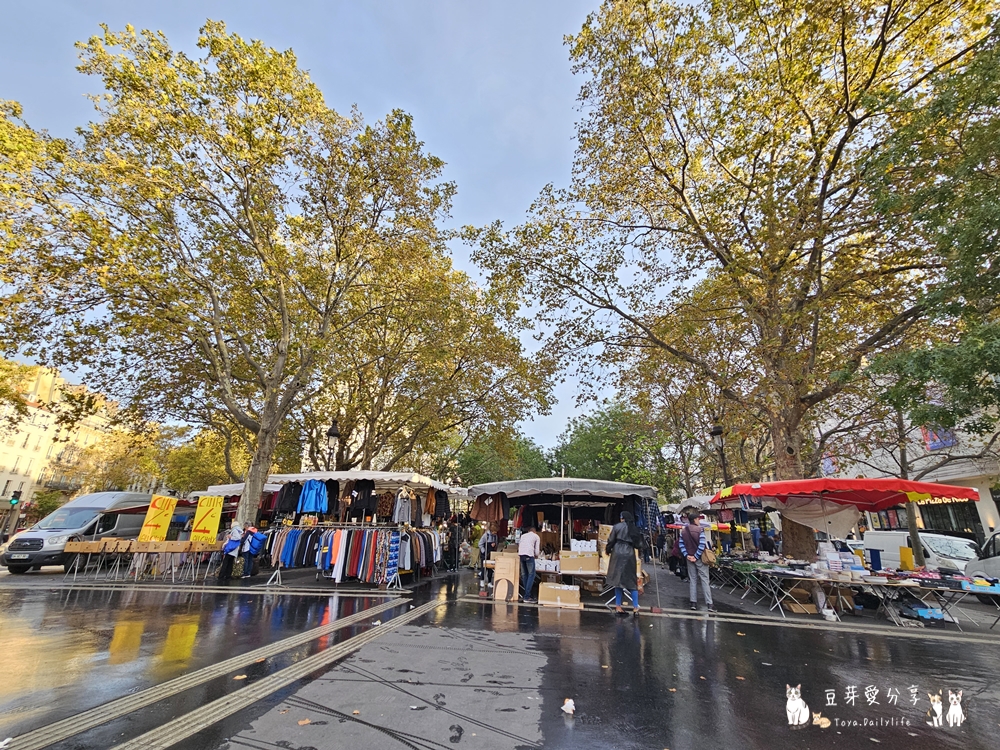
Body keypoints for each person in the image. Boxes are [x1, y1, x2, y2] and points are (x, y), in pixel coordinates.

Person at [606, 511, 643, 616]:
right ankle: (635, 607)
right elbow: (638, 544)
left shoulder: (617, 527)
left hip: (617, 553)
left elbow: (611, 540)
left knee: (618, 580)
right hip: (629, 553)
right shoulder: (634, 528)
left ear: (622, 518)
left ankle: (618, 606)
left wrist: (607, 550)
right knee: (631, 580)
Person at [680, 512, 715, 612]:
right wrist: (696, 556)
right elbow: (702, 544)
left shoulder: (684, 531)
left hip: (689, 558)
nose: (699, 521)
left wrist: (687, 555)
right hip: (700, 558)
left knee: (693, 580)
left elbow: (681, 544)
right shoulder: (700, 530)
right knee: (704, 580)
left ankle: (693, 603)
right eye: (698, 519)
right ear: (695, 519)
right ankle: (709, 604)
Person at [518, 524, 541, 602]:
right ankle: (527, 596)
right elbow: (537, 550)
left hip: (521, 555)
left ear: (528, 531)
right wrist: (536, 555)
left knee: (524, 575)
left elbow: (519, 545)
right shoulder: (536, 536)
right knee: (532, 575)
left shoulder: (523, 536)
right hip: (529, 555)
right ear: (535, 531)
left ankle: (527, 594)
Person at [478, 522, 499, 589]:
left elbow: (496, 544)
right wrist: (484, 551)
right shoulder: (486, 535)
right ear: (491, 530)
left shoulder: (495, 536)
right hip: (485, 554)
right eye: (494, 532)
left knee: (490, 569)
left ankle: (489, 582)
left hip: (491, 554)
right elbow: (480, 544)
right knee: (484, 568)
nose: (495, 533)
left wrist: (494, 545)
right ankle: (482, 580)